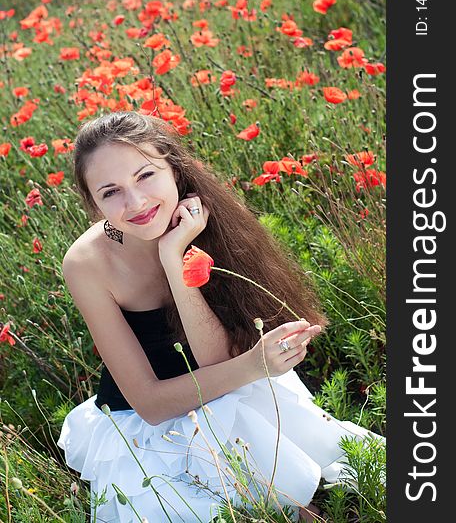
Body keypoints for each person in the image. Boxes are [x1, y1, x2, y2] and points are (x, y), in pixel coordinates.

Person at [57, 111, 380, 523]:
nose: (135, 203)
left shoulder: (210, 223)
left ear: (174, 169)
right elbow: (151, 405)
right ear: (94, 204)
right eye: (111, 192)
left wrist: (175, 261)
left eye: (145, 176)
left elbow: (214, 362)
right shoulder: (87, 263)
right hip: (147, 420)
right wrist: (252, 364)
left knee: (332, 473)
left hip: (233, 391)